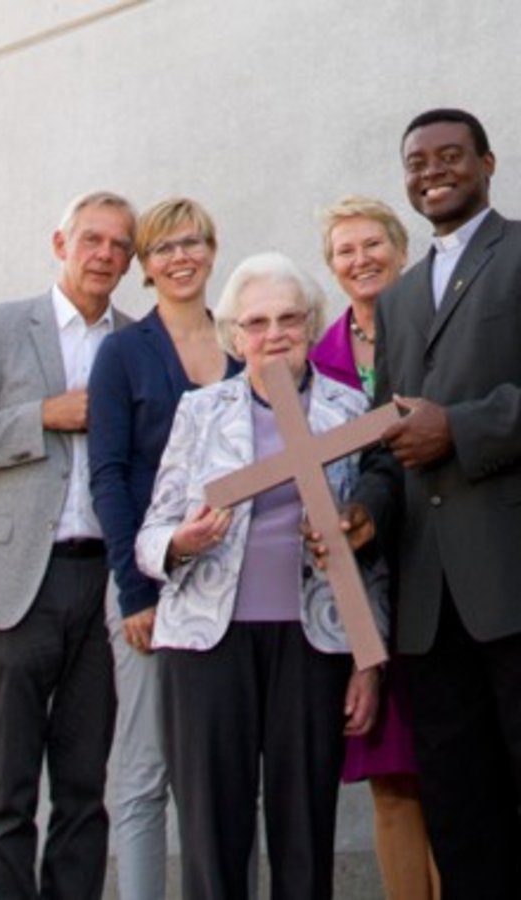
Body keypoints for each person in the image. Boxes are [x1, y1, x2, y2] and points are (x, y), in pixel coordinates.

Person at [343, 108, 521, 899]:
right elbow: (389, 437)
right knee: (463, 817)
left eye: (450, 155)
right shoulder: (398, 300)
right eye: (417, 161)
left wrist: (458, 429)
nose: (432, 171)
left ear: (487, 164)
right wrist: (368, 510)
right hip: (432, 602)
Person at [134, 251, 387, 900]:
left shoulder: (351, 410)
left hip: (313, 643)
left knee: (305, 834)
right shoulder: (201, 411)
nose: (274, 334)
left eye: (288, 319)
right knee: (212, 837)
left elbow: (372, 548)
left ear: (311, 324)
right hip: (207, 645)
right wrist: (181, 543)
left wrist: (367, 660)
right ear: (234, 334)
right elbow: (151, 534)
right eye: (256, 323)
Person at [0, 191, 136, 899]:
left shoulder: (134, 341)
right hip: (16, 583)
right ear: (60, 243)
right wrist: (43, 416)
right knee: (8, 787)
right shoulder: (2, 327)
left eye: (119, 245)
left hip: (102, 585)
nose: (105, 254)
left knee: (84, 787)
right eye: (92, 239)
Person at [88, 197, 241, 900]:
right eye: (163, 248)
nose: (180, 258)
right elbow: (109, 475)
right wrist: (133, 593)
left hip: (236, 584)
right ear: (145, 267)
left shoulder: (241, 341)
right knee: (146, 772)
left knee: (228, 773)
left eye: (192, 242)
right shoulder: (123, 352)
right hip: (154, 583)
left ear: (212, 249)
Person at [310, 195, 438, 900]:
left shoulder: (433, 327)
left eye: (372, 244)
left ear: (401, 248)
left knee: (453, 765)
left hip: (439, 558)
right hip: (364, 578)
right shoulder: (316, 360)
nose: (361, 260)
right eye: (345, 251)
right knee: (391, 775)